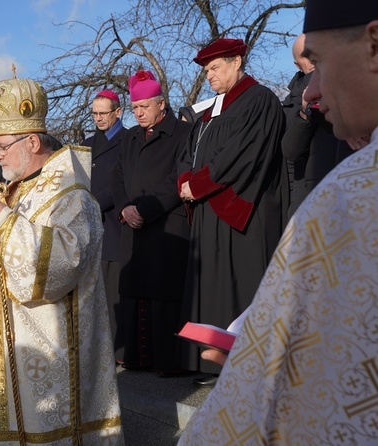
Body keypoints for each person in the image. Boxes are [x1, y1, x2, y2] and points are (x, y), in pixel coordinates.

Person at [179, 2, 378, 443]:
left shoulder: (352, 193)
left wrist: (261, 362)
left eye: (318, 65)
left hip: (237, 208)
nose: (308, 92)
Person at [0, 77, 123, 445]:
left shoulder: (71, 196)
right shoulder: (13, 191)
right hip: (4, 350)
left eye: (1, 147)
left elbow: (56, 270)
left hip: (49, 357)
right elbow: (1, 258)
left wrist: (2, 220)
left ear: (32, 142)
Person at [177, 38, 288, 385]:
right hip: (209, 210)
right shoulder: (210, 111)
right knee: (211, 284)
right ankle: (209, 361)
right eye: (207, 70)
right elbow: (187, 152)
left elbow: (242, 154)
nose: (209, 75)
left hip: (242, 211)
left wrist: (199, 185)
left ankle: (243, 361)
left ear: (237, 61)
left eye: (215, 68)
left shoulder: (260, 101)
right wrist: (184, 180)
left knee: (240, 285)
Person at [112, 71, 192, 372]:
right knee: (135, 292)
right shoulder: (129, 137)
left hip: (164, 225)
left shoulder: (182, 133)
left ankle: (167, 362)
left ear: (161, 104)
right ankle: (137, 358)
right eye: (135, 108)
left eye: (145, 106)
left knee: (163, 293)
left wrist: (143, 209)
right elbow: (117, 177)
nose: (139, 113)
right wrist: (124, 209)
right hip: (132, 226)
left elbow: (177, 177)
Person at [281, 34, 353, 218]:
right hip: (310, 198)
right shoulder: (292, 101)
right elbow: (290, 150)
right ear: (297, 65)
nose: (313, 60)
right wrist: (304, 113)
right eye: (306, 56)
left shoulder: (349, 80)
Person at [81, 89, 126, 362]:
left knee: (113, 290)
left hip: (112, 223)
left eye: (103, 113)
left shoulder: (127, 139)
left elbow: (121, 182)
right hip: (88, 226)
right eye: (94, 114)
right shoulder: (87, 143)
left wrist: (94, 203)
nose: (98, 119)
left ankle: (117, 350)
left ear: (117, 112)